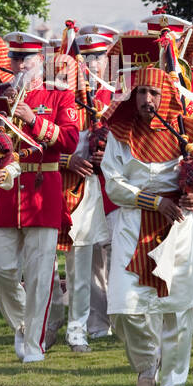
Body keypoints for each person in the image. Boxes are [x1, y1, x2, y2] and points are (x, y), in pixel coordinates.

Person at [102, 67, 193, 386]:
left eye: (154, 93)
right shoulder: (119, 133)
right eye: (141, 92)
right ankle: (147, 360)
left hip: (179, 229)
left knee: (178, 310)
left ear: (169, 97)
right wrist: (154, 201)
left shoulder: (191, 130)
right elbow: (113, 184)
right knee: (122, 308)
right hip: (133, 226)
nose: (147, 100)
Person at [0, 31, 80, 362]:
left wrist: (32, 119)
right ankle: (24, 327)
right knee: (2, 272)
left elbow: (69, 141)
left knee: (41, 275)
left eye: (26, 58)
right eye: (15, 59)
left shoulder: (59, 96)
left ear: (41, 61)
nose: (19, 64)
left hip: (42, 191)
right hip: (6, 195)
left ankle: (34, 346)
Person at [58, 30, 117, 350]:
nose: (92, 64)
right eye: (86, 58)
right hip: (78, 188)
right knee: (83, 261)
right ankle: (82, 325)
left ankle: (109, 319)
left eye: (98, 57)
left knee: (112, 259)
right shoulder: (68, 99)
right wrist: (70, 159)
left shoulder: (118, 97)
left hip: (113, 189)